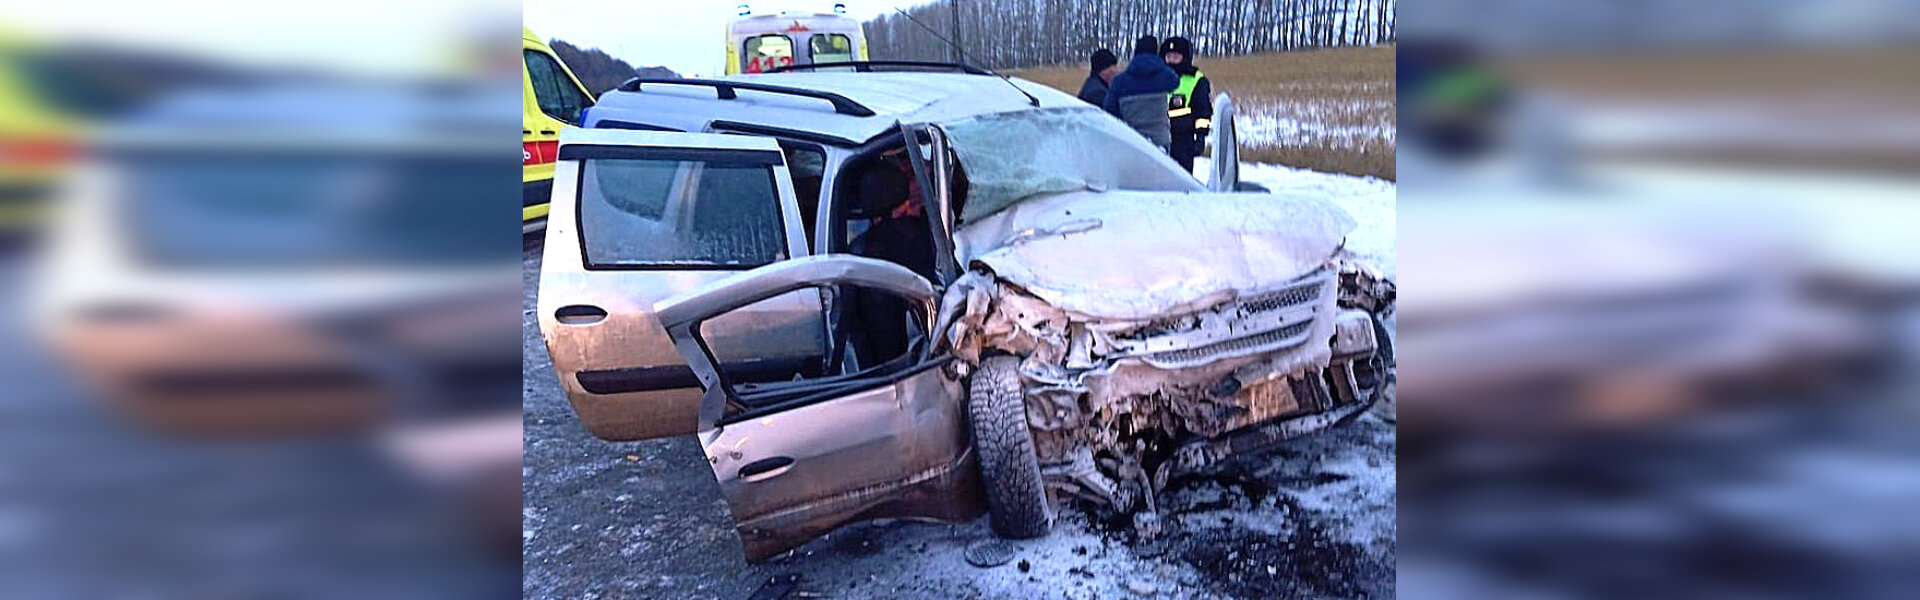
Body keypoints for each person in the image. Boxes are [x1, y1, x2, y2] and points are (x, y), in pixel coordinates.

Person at [1102, 35, 1178, 151]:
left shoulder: (1119, 82)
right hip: (1160, 140)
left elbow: (1110, 111)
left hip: (1132, 141)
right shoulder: (1165, 77)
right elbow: (1175, 82)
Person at [1161, 36, 1213, 172]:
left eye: (1176, 57)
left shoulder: (1196, 80)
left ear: (1185, 58)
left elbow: (1203, 112)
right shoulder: (1158, 77)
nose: (1171, 61)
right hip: (1159, 135)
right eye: (1169, 56)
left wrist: (1200, 136)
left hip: (1183, 140)